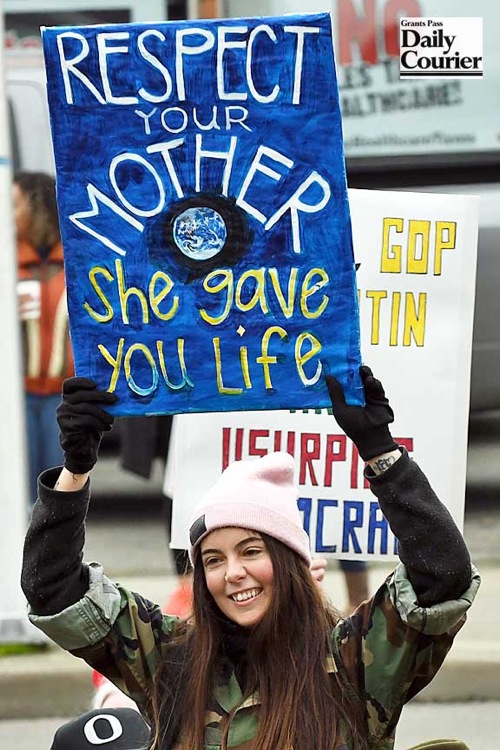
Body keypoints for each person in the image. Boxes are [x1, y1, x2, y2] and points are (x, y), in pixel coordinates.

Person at [21, 367, 480, 749]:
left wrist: (382, 453)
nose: (233, 572)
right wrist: (75, 470)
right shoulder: (169, 659)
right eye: (213, 560)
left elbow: (442, 576)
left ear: (291, 562)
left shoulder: (353, 661)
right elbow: (52, 588)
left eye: (251, 551)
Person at [14, 171, 74, 505]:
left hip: (60, 396)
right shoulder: (7, 262)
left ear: (38, 208)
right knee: (16, 490)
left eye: (14, 204)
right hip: (14, 395)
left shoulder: (75, 262)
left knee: (55, 490)